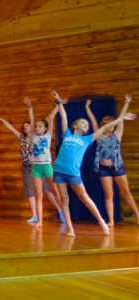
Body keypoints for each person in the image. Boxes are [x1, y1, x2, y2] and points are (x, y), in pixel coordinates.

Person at [51, 91, 135, 237]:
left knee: (84, 197)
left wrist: (121, 118)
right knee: (64, 199)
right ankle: (70, 227)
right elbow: (63, 116)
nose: (86, 125)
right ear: (76, 125)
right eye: (83, 123)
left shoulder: (87, 139)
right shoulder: (67, 134)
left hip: (73, 173)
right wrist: (58, 101)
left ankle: (102, 221)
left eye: (87, 125)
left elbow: (102, 128)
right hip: (58, 171)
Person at [0, 101, 64, 224]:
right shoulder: (24, 138)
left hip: (43, 165)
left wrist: (57, 105)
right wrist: (3, 120)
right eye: (24, 126)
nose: (27, 127)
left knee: (49, 190)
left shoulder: (38, 135)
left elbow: (46, 118)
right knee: (32, 191)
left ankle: (61, 211)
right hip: (28, 166)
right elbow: (12, 128)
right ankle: (36, 216)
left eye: (28, 126)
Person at [85, 95, 139, 226]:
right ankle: (111, 220)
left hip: (117, 166)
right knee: (109, 194)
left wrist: (126, 102)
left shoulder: (117, 134)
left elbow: (121, 118)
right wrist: (87, 107)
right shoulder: (99, 135)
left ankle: (137, 215)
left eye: (111, 123)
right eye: (106, 123)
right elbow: (92, 120)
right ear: (103, 124)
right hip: (104, 169)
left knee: (126, 191)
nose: (110, 125)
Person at [24, 96, 64, 227]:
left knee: (55, 190)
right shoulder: (34, 136)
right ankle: (40, 220)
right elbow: (31, 119)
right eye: (36, 126)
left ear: (45, 128)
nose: (36, 127)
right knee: (39, 195)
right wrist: (30, 107)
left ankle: (64, 212)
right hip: (36, 167)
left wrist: (58, 104)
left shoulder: (48, 135)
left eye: (39, 126)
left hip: (47, 166)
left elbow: (51, 118)